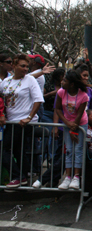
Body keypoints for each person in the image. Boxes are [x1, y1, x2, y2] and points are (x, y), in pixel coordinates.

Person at [0, 54, 44, 188]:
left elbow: (38, 100)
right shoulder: (6, 82)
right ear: (13, 66)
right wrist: (2, 114)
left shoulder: (30, 80)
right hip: (10, 121)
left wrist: (29, 117)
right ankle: (22, 178)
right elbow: (1, 99)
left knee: (4, 149)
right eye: (22, 66)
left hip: (23, 122)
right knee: (18, 151)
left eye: (26, 66)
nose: (25, 69)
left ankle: (17, 176)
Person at [56, 70, 89, 190]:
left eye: (65, 80)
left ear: (72, 84)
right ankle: (67, 177)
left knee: (78, 149)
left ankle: (76, 177)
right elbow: (58, 109)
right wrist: (67, 124)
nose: (62, 82)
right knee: (69, 150)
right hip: (67, 123)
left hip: (80, 124)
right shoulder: (61, 92)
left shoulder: (83, 96)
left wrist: (73, 129)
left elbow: (80, 115)